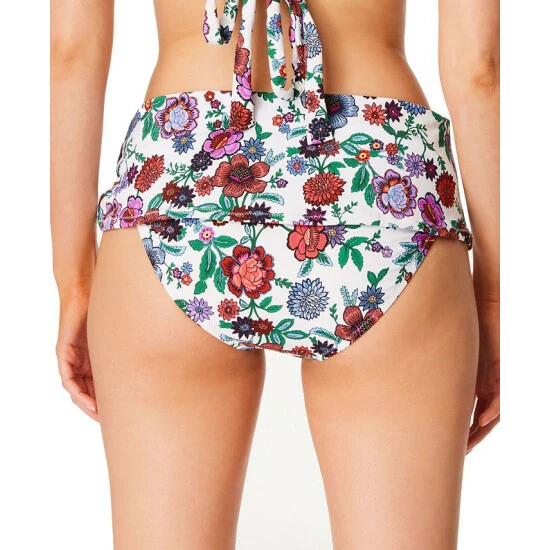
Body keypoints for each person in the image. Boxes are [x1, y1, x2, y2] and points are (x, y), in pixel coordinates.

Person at [50, 0, 500, 547]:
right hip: (381, 178)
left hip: (180, 174)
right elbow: (478, 66)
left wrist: (74, 282)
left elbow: (72, 50)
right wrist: (495, 298)